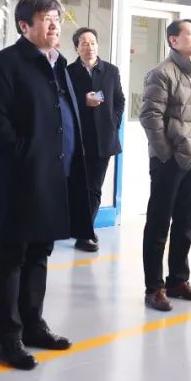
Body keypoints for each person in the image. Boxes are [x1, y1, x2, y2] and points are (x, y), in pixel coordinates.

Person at [0, 0, 93, 370]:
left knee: (40, 251)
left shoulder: (58, 63)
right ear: (24, 25)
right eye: (46, 18)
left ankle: (33, 325)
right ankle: (8, 338)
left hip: (56, 174)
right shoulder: (5, 63)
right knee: (12, 255)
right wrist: (24, 151)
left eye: (57, 17)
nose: (55, 24)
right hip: (23, 176)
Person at [140, 19, 191, 312]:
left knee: (185, 221)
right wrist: (165, 154)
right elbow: (150, 116)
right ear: (173, 41)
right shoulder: (161, 73)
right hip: (170, 160)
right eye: (190, 35)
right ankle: (154, 287)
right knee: (159, 223)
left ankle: (178, 281)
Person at [67, 26, 125, 253]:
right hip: (77, 140)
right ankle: (80, 227)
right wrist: (84, 101)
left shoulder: (111, 71)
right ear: (77, 48)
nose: (89, 47)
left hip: (103, 140)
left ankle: (85, 232)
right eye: (84, 43)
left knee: (95, 187)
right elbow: (62, 102)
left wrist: (113, 121)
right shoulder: (69, 72)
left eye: (92, 43)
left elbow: (119, 100)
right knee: (77, 187)